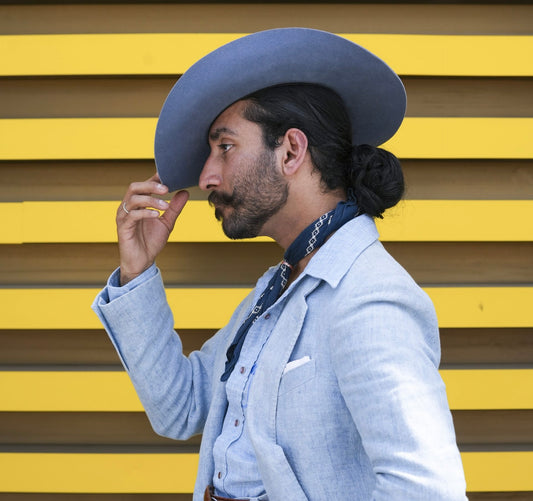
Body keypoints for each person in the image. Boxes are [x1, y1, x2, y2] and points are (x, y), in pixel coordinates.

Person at [92, 28, 467, 500]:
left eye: (224, 147)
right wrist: (137, 272)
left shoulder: (370, 296)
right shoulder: (276, 287)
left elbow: (426, 490)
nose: (207, 176)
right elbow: (180, 409)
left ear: (291, 150)